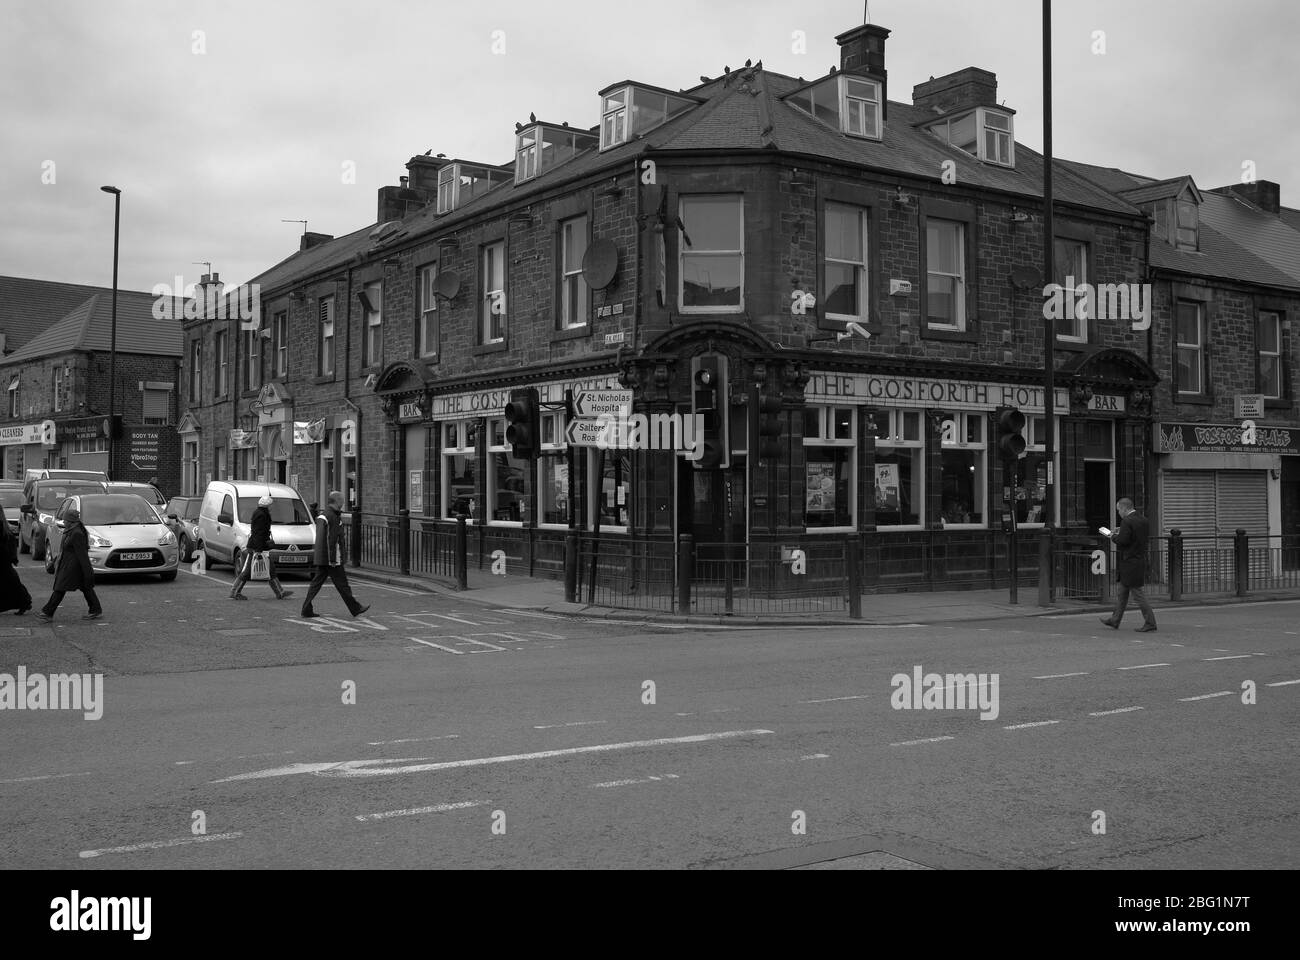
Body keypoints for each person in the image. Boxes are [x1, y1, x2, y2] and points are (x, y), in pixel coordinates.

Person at [300, 490, 368, 619]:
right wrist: (332, 558)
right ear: (337, 501)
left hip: (325, 557)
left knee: (316, 584)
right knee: (343, 585)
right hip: (332, 558)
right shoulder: (331, 517)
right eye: (342, 500)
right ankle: (355, 608)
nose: (343, 502)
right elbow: (330, 539)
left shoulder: (327, 515)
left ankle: (306, 609)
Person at [36, 506, 102, 622]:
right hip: (69, 565)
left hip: (72, 567)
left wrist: (87, 571)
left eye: (65, 520)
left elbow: (82, 554)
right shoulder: (72, 531)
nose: (64, 522)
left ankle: (47, 612)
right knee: (86, 588)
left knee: (60, 588)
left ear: (71, 521)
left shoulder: (77, 534)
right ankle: (95, 609)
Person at [1100, 497, 1157, 633]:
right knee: (1122, 593)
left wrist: (1111, 536)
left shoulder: (1127, 521)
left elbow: (1123, 541)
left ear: (1125, 508)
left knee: (1138, 594)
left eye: (1119, 509)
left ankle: (1150, 622)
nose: (1118, 512)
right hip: (1139, 559)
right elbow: (1136, 536)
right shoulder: (1143, 520)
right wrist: (1122, 529)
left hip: (1129, 562)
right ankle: (1115, 620)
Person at [230, 494, 293, 601]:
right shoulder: (262, 515)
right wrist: (258, 550)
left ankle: (280, 592)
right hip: (257, 548)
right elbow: (258, 533)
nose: (272, 507)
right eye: (271, 505)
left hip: (259, 547)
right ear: (267, 505)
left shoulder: (260, 513)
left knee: (271, 570)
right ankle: (234, 591)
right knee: (247, 571)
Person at [0, 504, 32, 615]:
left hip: (2, 559)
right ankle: (24, 602)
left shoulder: (1, 526)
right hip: (5, 559)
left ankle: (24, 602)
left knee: (11, 582)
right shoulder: (3, 525)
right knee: (11, 582)